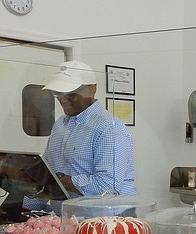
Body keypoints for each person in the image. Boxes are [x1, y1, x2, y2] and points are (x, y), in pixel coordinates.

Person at [23, 61, 136, 213]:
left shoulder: (108, 127)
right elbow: (45, 173)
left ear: (92, 89)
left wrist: (64, 182)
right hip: (70, 220)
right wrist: (24, 210)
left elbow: (107, 187)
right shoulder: (60, 125)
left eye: (70, 93)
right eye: (58, 93)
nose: (62, 99)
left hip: (109, 221)